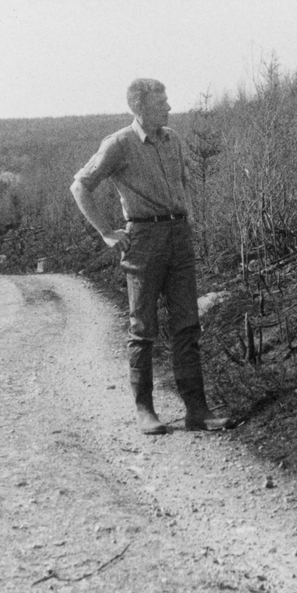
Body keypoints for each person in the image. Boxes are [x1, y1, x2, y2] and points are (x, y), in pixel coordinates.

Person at [70, 78, 232, 435]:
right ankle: (145, 411)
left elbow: (182, 184)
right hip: (143, 239)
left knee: (187, 326)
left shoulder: (173, 140)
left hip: (179, 236)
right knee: (143, 329)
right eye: (162, 103)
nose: (169, 108)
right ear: (140, 108)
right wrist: (107, 233)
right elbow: (80, 185)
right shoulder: (119, 144)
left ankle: (197, 410)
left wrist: (187, 217)